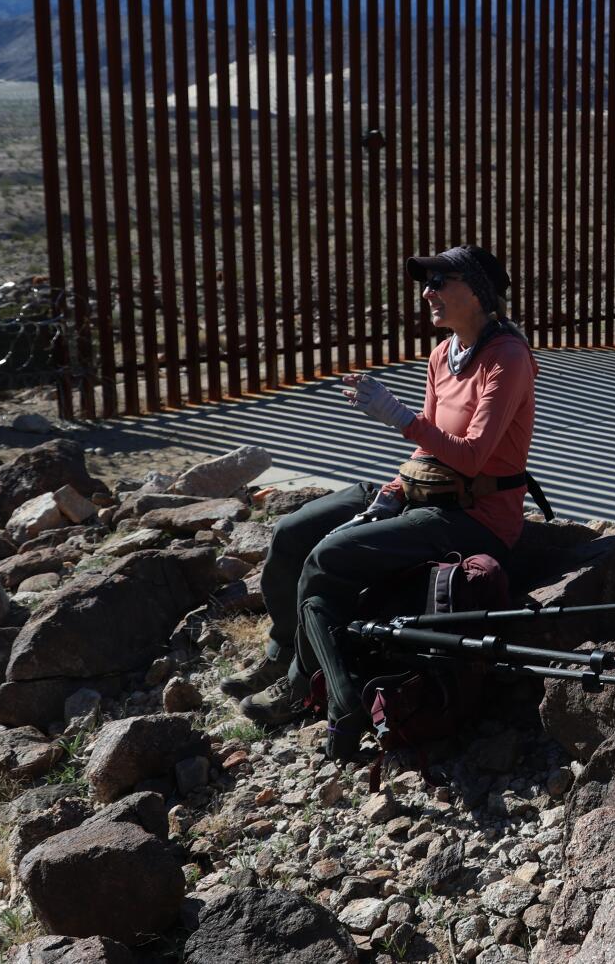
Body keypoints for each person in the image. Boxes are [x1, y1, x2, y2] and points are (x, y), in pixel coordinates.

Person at [223, 244, 539, 758]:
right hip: (425, 492)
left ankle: (304, 688)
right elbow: (426, 448)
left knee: (328, 558)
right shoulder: (443, 354)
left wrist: (396, 415)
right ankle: (282, 651)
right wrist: (391, 494)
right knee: (293, 532)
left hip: (474, 516)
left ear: (478, 291)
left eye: (441, 281)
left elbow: (475, 456)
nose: (427, 292)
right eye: (426, 282)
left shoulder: (506, 357)